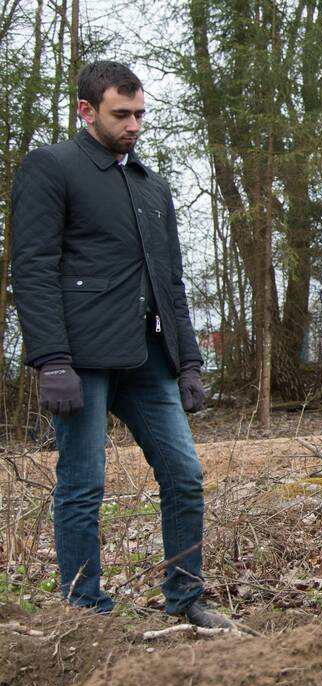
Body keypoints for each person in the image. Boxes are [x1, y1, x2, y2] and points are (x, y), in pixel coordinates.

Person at [11, 61, 230, 628]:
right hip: (80, 359)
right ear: (87, 111)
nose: (134, 125)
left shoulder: (151, 186)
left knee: (184, 475)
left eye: (139, 114)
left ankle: (187, 599)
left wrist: (187, 361)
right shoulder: (51, 168)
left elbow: (170, 282)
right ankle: (85, 612)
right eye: (121, 114)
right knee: (83, 484)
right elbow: (32, 269)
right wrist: (51, 359)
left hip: (149, 359)